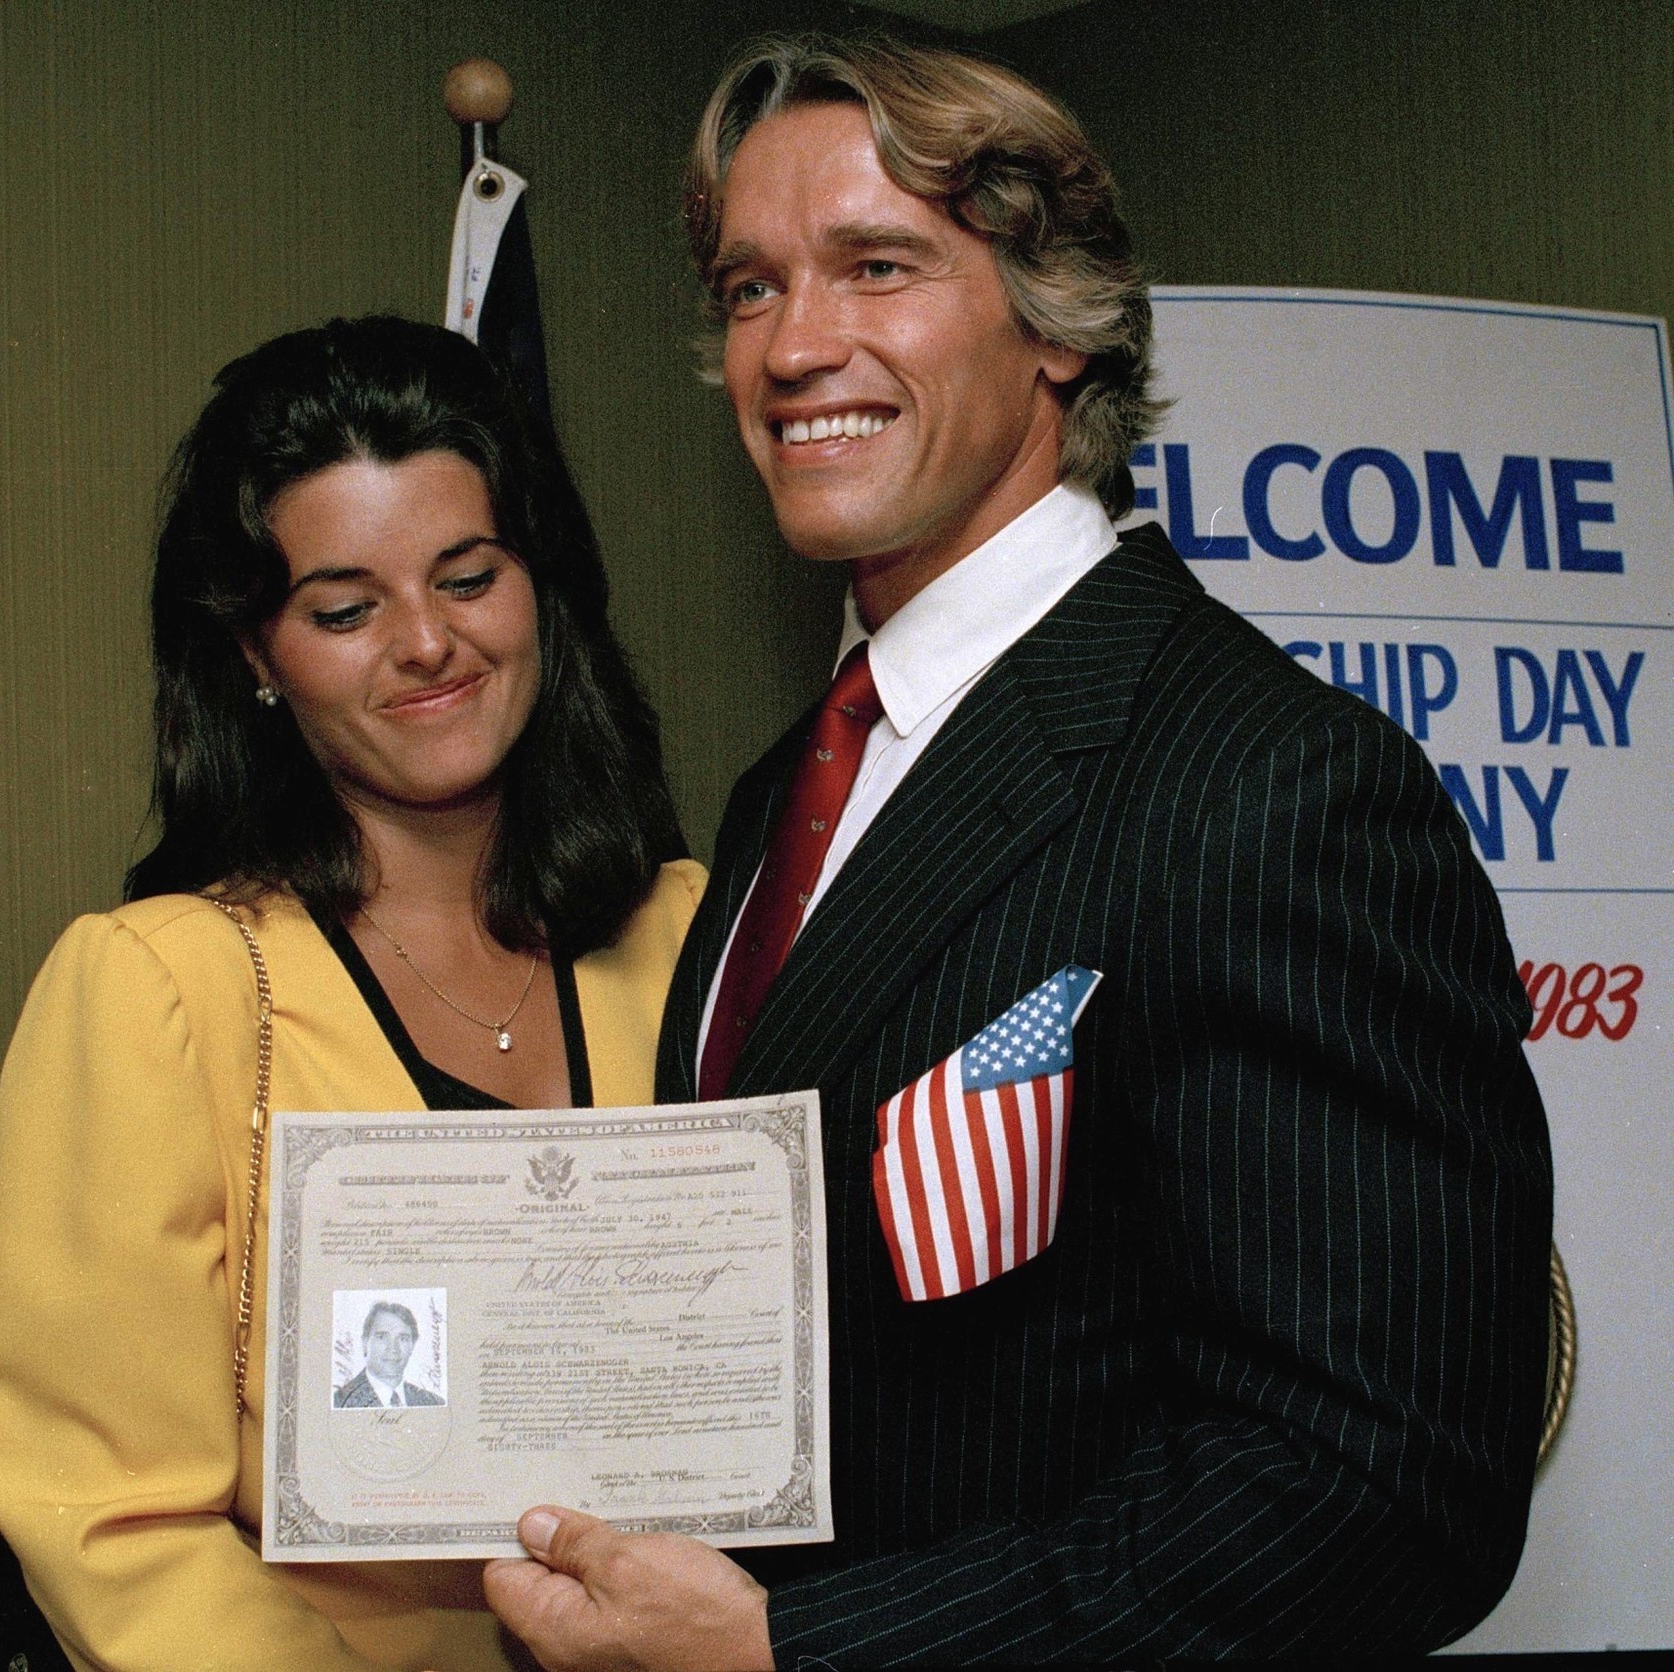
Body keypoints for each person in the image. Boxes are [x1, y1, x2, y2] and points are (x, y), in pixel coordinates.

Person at [483, 32, 1553, 1668]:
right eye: (753, 287)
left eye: (877, 266)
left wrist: (794, 1655)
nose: (791, 347)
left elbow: (1375, 1488)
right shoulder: (795, 788)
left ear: (1055, 323)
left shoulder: (1275, 788)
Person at [0, 315, 702, 1672]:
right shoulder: (158, 992)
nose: (427, 644)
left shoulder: (699, 932)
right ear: (256, 653)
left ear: (542, 587)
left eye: (469, 577)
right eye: (346, 609)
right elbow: (109, 1521)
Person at [334, 1302, 445, 1409]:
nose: (393, 1348)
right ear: (365, 1343)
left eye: (402, 1338)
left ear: (412, 1345)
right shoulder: (339, 1403)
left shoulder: (434, 1403)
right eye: (382, 1337)